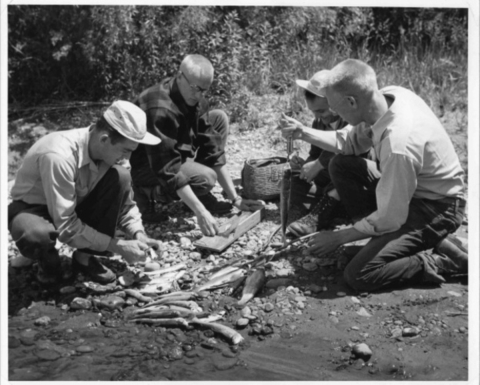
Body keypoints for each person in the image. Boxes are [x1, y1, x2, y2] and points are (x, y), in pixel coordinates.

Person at [280, 59, 467, 292]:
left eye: (335, 108)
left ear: (351, 101)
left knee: (359, 275)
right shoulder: (387, 97)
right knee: (340, 165)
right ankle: (384, 243)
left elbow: (391, 216)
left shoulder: (399, 143)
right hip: (411, 190)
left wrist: (338, 238)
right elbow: (348, 141)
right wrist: (303, 132)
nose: (333, 113)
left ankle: (437, 261)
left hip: (438, 208)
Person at [8, 101, 164, 285]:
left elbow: (125, 205)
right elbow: (66, 224)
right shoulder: (59, 156)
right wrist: (119, 246)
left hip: (72, 204)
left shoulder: (114, 154)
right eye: (126, 150)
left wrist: (139, 234)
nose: (128, 158)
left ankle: (84, 257)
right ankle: (45, 260)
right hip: (32, 208)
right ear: (104, 139)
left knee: (121, 177)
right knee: (36, 235)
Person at [130, 54, 264, 235]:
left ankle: (195, 196)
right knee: (206, 178)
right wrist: (201, 212)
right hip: (147, 165)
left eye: (204, 90)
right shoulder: (159, 108)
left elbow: (212, 149)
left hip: (175, 153)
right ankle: (145, 192)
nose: (199, 95)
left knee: (219, 118)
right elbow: (167, 169)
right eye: (195, 88)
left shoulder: (195, 98)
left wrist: (235, 199)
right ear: (179, 76)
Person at [279, 70, 350, 238]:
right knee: (294, 180)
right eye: (314, 112)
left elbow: (348, 147)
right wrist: (305, 164)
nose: (318, 116)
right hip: (328, 180)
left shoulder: (350, 119)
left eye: (322, 111)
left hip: (347, 178)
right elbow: (315, 154)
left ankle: (322, 213)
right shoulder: (319, 122)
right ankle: (328, 208)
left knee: (339, 165)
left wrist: (319, 164)